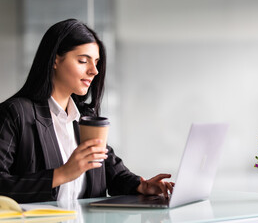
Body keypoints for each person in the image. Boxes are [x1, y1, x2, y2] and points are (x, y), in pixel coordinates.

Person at [0, 19, 174, 203]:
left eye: (96, 62)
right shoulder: (16, 113)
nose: (94, 71)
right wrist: (61, 174)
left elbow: (113, 174)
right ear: (55, 60)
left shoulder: (86, 118)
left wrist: (142, 186)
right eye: (83, 61)